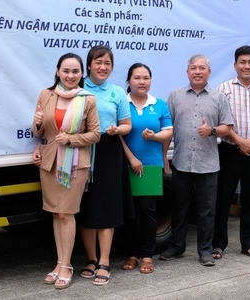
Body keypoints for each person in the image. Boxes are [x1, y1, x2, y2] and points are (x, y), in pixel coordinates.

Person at [31, 53, 101, 290]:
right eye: (66, 71)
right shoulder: (46, 95)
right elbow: (38, 131)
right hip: (50, 163)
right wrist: (38, 122)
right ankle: (59, 262)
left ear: (82, 74)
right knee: (55, 213)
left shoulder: (87, 99)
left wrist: (71, 139)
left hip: (75, 164)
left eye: (75, 71)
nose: (71, 76)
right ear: (57, 71)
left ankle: (67, 266)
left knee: (66, 214)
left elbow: (95, 134)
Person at [160, 54, 233, 266]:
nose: (198, 71)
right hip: (182, 162)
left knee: (207, 210)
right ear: (187, 72)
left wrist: (211, 130)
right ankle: (177, 246)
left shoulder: (219, 97)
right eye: (194, 68)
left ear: (209, 72)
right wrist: (164, 156)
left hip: (208, 164)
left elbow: (227, 127)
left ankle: (205, 250)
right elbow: (167, 129)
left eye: (202, 68)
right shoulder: (175, 96)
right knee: (180, 207)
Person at [212, 46, 250, 260]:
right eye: (242, 62)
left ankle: (248, 243)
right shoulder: (224, 89)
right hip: (229, 150)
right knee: (223, 198)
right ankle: (218, 244)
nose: (247, 66)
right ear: (235, 65)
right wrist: (240, 141)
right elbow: (220, 122)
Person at [77, 45, 132, 286]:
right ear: (88, 65)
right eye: (98, 62)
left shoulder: (117, 92)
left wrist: (117, 130)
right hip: (81, 149)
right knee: (86, 205)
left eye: (107, 63)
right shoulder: (77, 88)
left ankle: (105, 261)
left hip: (109, 150)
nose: (103, 67)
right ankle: (90, 258)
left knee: (106, 206)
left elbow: (127, 125)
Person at [120, 63, 173, 274]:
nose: (141, 82)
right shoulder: (121, 104)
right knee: (128, 213)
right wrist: (131, 158)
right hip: (125, 164)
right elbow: (118, 137)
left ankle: (147, 255)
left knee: (148, 212)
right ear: (129, 81)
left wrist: (154, 137)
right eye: (136, 78)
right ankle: (132, 254)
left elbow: (168, 132)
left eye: (146, 78)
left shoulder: (159, 104)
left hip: (150, 166)